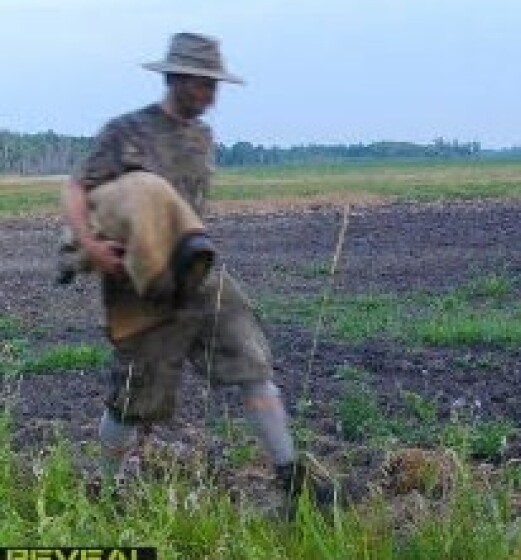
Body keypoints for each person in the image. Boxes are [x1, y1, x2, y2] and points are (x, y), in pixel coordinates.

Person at [62, 32, 335, 509]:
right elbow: (76, 187)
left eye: (214, 85)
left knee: (252, 362)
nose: (210, 95)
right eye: (202, 84)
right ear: (174, 78)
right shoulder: (126, 131)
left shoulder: (203, 138)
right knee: (134, 396)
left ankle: (293, 480)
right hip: (140, 283)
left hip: (198, 272)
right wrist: (90, 245)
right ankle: (105, 490)